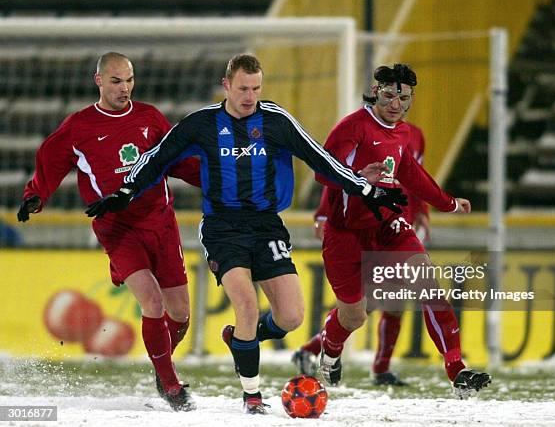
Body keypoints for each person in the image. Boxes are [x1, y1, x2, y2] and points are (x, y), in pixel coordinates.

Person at [83, 54, 408, 414]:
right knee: (247, 306)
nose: (250, 96)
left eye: (256, 88)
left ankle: (240, 341)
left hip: (267, 224)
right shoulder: (202, 123)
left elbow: (321, 159)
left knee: (291, 318)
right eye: (243, 89)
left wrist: (365, 189)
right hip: (223, 227)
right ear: (227, 86)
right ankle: (252, 395)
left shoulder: (276, 120)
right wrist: (126, 190)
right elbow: (157, 157)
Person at [292, 64, 491, 398]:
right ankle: (329, 349)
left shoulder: (405, 133)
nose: (395, 104)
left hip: (389, 225)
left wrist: (448, 203)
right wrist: (356, 179)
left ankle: (457, 369)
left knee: (427, 284)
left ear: (410, 100)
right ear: (376, 92)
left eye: (403, 97)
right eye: (388, 95)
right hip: (346, 233)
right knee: (354, 315)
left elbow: (413, 175)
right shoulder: (352, 127)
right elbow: (323, 173)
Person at [17, 52, 200, 411]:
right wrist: (34, 196)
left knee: (180, 314)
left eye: (129, 80)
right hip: (117, 228)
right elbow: (50, 161)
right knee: (152, 301)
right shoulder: (78, 127)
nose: (125, 88)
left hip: (161, 223)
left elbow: (177, 161)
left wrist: (216, 180)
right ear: (98, 80)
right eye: (116, 81)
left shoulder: (149, 117)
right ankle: (170, 385)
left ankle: (161, 364)